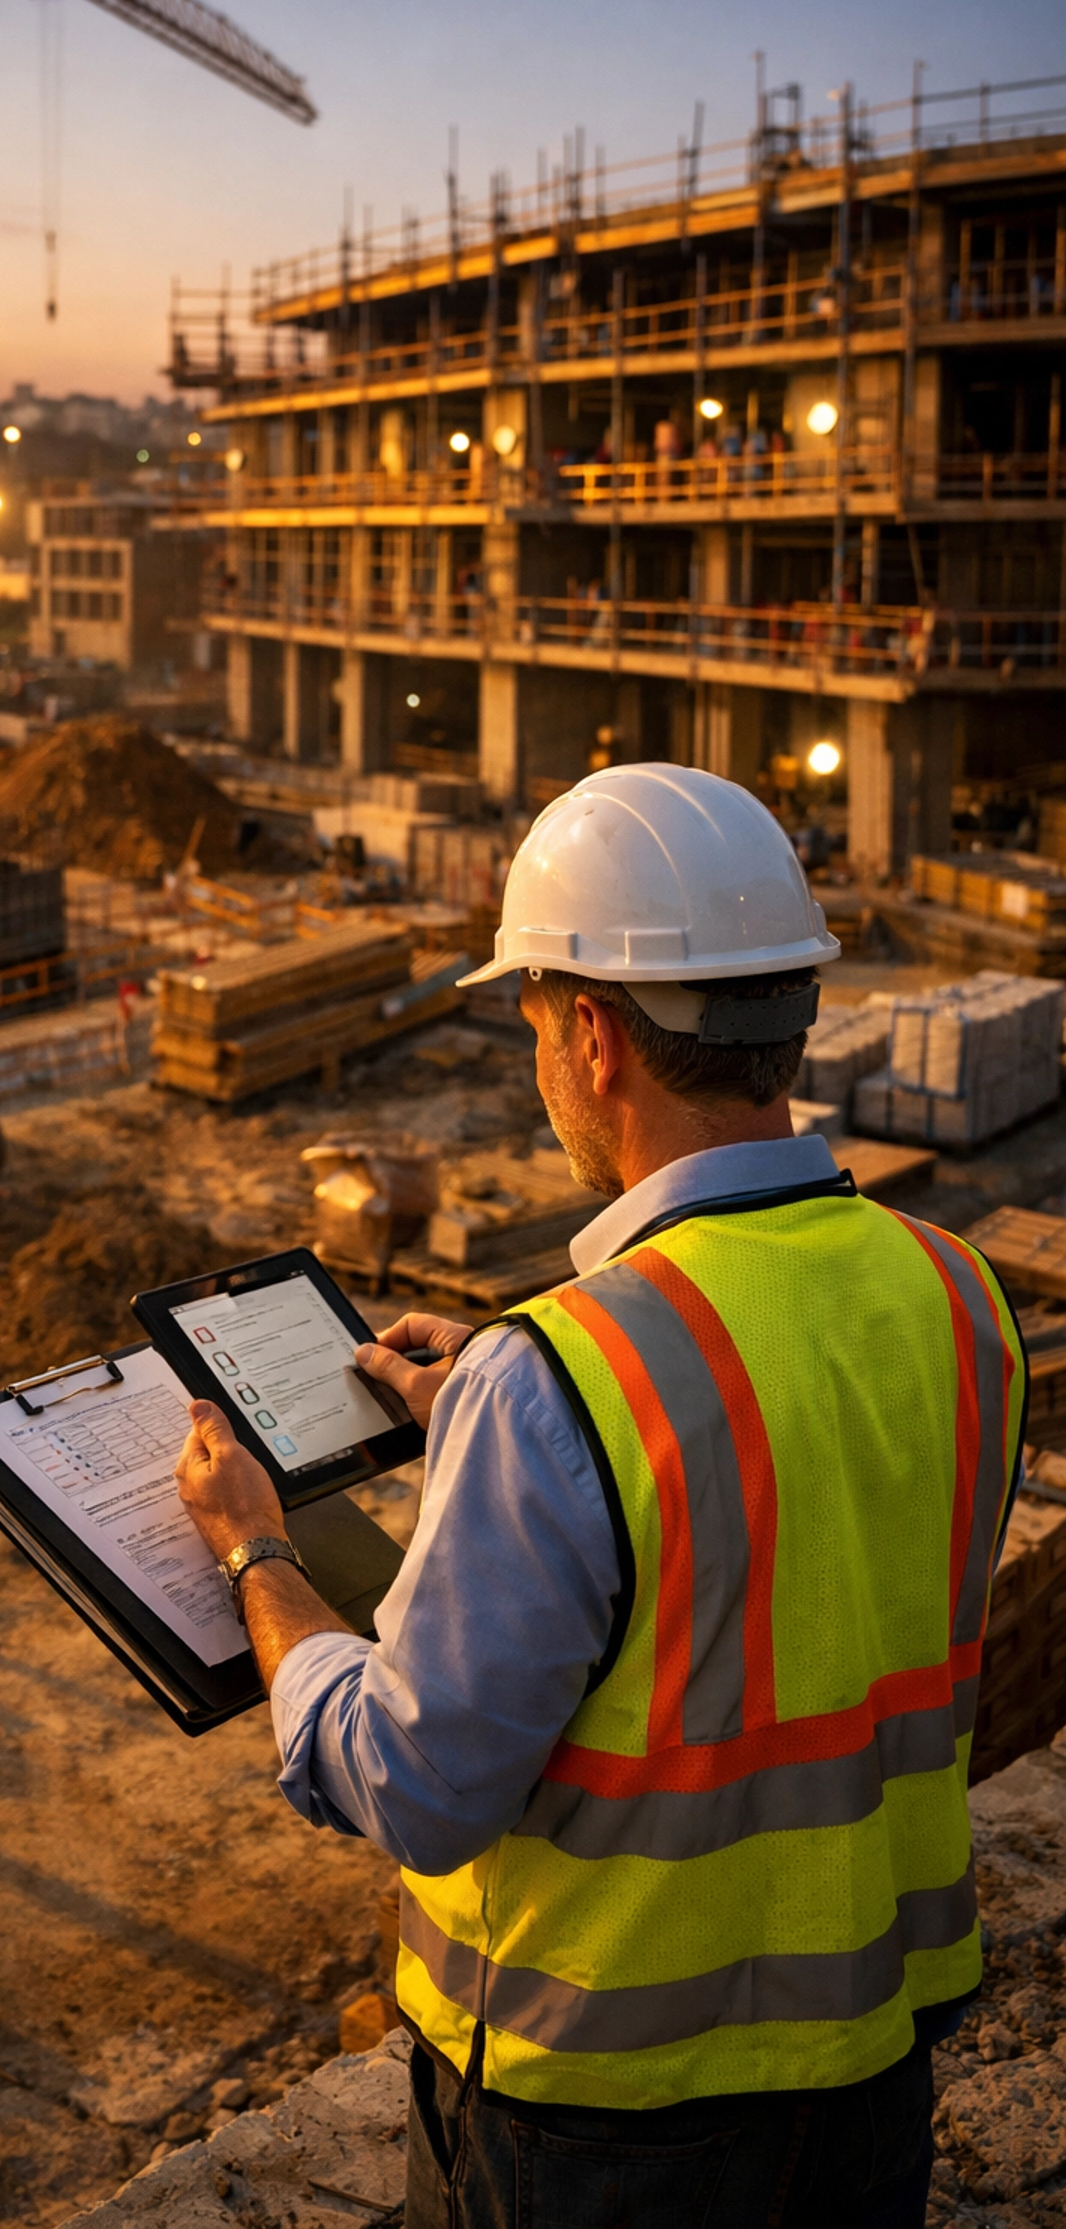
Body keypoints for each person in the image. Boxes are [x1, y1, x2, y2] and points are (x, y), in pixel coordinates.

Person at [175, 763, 1023, 2228]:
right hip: (875, 2055)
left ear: (590, 1030)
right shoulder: (956, 1295)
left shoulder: (562, 1375)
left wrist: (257, 1550)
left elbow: (413, 1785)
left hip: (612, 2126)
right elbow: (791, 1520)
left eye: (532, 1022)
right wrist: (503, 1430)